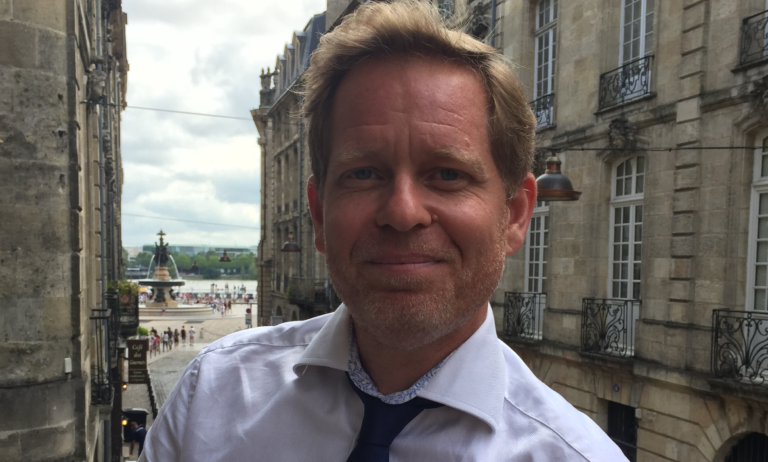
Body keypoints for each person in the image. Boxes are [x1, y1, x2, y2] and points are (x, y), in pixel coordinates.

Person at [140, 2, 627, 461]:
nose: (402, 211)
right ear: (319, 213)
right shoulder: (210, 398)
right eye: (364, 173)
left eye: (448, 174)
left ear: (515, 215)